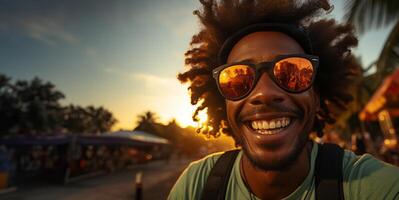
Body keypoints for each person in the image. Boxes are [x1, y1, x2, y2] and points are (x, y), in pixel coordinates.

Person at [169, 0, 399, 199]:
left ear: (316, 97)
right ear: (225, 104)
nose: (264, 93)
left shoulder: (372, 185)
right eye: (238, 80)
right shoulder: (197, 184)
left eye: (293, 73)